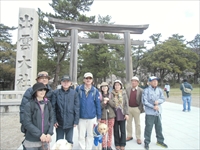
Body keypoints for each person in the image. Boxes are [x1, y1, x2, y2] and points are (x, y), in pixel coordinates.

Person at [20, 71, 53, 149]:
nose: (44, 80)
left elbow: (51, 114)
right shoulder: (30, 92)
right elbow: (23, 109)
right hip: (32, 127)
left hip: (45, 131)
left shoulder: (50, 92)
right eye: (42, 78)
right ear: (37, 79)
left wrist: (49, 132)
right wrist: (25, 126)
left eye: (46, 78)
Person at [75, 72, 101, 150]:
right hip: (81, 117)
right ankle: (82, 148)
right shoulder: (78, 89)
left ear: (92, 80)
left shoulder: (95, 91)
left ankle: (89, 148)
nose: (88, 80)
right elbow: (75, 102)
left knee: (90, 135)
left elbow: (97, 104)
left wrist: (99, 116)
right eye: (86, 78)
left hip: (91, 117)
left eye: (90, 78)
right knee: (81, 136)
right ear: (84, 79)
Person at [52, 75, 79, 144]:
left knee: (69, 142)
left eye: (68, 82)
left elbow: (76, 107)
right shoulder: (56, 93)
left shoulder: (74, 93)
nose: (66, 83)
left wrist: (76, 120)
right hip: (59, 122)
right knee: (59, 142)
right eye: (64, 81)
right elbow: (53, 108)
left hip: (70, 122)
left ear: (70, 83)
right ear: (61, 82)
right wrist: (54, 120)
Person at [142, 76, 168, 150]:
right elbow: (144, 101)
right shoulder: (146, 90)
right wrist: (152, 106)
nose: (155, 82)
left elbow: (163, 98)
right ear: (150, 82)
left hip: (158, 112)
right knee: (148, 128)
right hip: (150, 113)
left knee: (159, 127)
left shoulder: (159, 90)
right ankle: (147, 142)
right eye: (153, 81)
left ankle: (160, 141)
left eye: (156, 81)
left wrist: (158, 101)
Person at [111, 80, 129, 150]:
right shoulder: (111, 94)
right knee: (115, 130)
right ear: (114, 86)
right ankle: (117, 143)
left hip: (122, 113)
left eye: (118, 85)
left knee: (122, 130)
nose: (117, 86)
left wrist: (127, 113)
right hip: (114, 114)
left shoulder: (124, 93)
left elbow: (126, 104)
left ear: (121, 86)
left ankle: (123, 144)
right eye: (116, 85)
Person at [126, 76, 144, 144]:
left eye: (135, 81)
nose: (133, 82)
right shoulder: (127, 89)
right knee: (128, 123)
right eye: (132, 81)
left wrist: (140, 108)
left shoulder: (141, 90)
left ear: (138, 83)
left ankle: (138, 137)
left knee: (138, 124)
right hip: (129, 108)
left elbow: (142, 100)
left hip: (137, 108)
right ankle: (129, 135)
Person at [99, 82, 115, 150]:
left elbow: (114, 105)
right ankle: (103, 146)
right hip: (103, 116)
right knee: (103, 132)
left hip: (110, 116)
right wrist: (104, 103)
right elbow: (98, 106)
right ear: (101, 88)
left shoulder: (111, 95)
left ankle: (109, 145)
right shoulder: (99, 95)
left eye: (106, 86)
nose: (104, 88)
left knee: (110, 131)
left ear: (108, 87)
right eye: (103, 87)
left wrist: (109, 101)